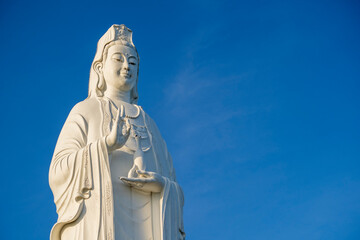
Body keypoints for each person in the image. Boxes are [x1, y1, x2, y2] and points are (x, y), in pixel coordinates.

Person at [49, 24, 185, 240]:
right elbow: (57, 171)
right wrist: (105, 146)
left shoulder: (150, 125)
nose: (127, 67)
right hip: (101, 225)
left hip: (148, 227)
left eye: (133, 62)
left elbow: (174, 184)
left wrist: (162, 185)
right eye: (118, 59)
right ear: (100, 68)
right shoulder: (86, 110)